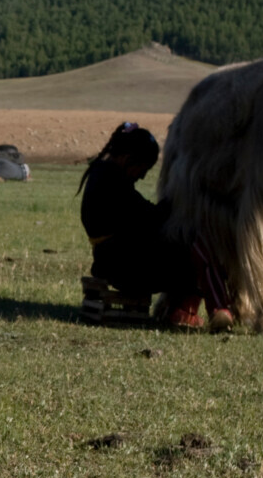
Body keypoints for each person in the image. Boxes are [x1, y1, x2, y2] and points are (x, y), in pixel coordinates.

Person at [77, 122, 228, 328]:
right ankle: (203, 311)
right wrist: (179, 198)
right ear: (128, 159)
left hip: (111, 260)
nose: (143, 176)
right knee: (193, 251)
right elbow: (149, 217)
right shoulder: (111, 183)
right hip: (123, 266)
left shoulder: (103, 174)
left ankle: (182, 310)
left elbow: (144, 216)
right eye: (143, 168)